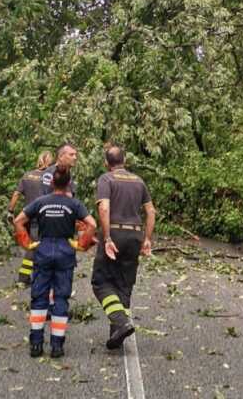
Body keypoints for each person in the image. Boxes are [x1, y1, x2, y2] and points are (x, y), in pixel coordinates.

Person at [15, 165, 96, 358]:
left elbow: (18, 221)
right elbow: (92, 224)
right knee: (60, 298)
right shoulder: (74, 204)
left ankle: (36, 344)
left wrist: (27, 243)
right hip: (64, 251)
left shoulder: (41, 202)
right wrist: (81, 244)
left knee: (39, 297)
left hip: (42, 251)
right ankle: (57, 346)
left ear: (51, 183)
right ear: (69, 184)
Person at [91, 146, 155, 349]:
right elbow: (151, 211)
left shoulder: (106, 179)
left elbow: (104, 207)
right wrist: (147, 239)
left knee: (101, 282)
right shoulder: (138, 181)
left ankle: (121, 322)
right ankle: (116, 334)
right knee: (124, 284)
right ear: (124, 160)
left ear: (106, 163)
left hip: (115, 232)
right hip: (135, 233)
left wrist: (107, 237)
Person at [7, 150, 54, 285]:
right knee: (34, 247)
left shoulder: (27, 175)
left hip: (26, 216)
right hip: (41, 217)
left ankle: (39, 274)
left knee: (34, 245)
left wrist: (10, 210)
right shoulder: (49, 178)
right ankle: (23, 278)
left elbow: (16, 194)